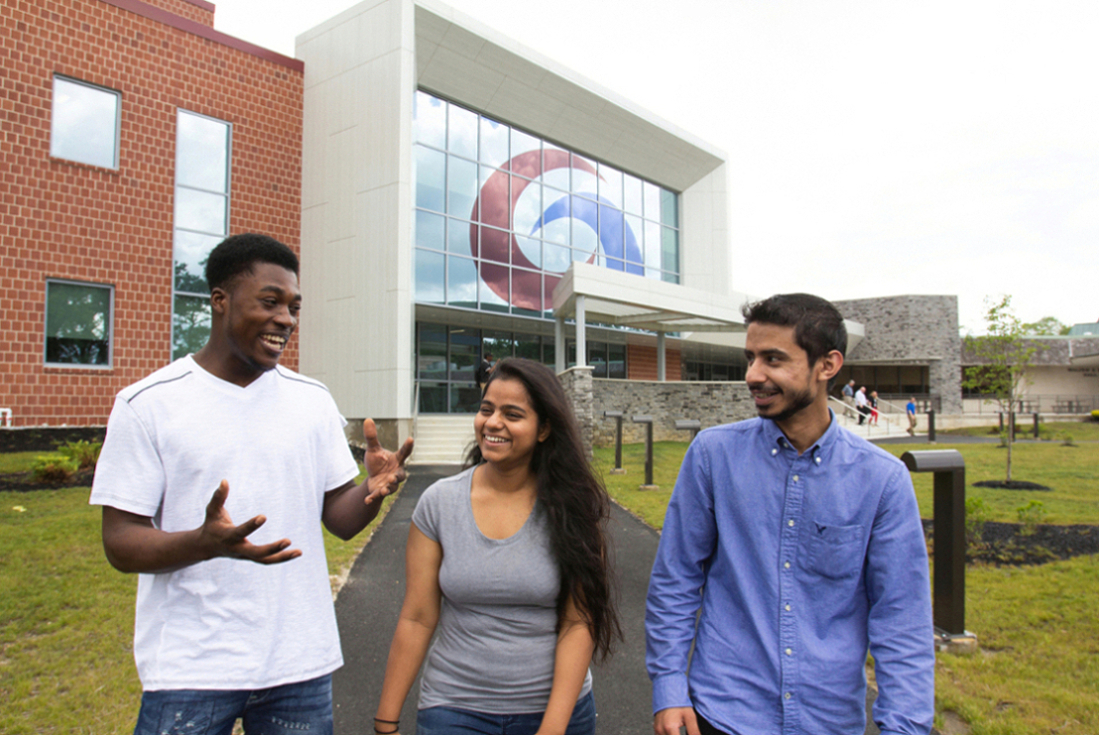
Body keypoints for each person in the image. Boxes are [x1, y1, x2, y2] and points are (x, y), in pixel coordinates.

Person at [90, 233, 414, 735]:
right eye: (270, 301)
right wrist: (201, 544)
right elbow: (121, 543)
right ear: (220, 301)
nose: (286, 318)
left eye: (293, 306)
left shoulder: (312, 401)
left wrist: (371, 494)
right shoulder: (148, 404)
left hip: (298, 663)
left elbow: (341, 521)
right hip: (191, 667)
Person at [646, 293, 933, 735]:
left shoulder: (882, 481)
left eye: (773, 359)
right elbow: (676, 578)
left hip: (828, 720)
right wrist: (668, 688)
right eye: (750, 358)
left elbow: (901, 621)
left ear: (828, 365)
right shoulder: (713, 455)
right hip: (722, 713)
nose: (752, 375)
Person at [374, 357, 621, 735]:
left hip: (556, 712)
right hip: (453, 709)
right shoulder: (439, 503)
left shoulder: (573, 506)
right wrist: (386, 721)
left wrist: (552, 728)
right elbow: (417, 616)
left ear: (544, 429)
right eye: (486, 409)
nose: (492, 422)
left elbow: (578, 623)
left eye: (513, 414)